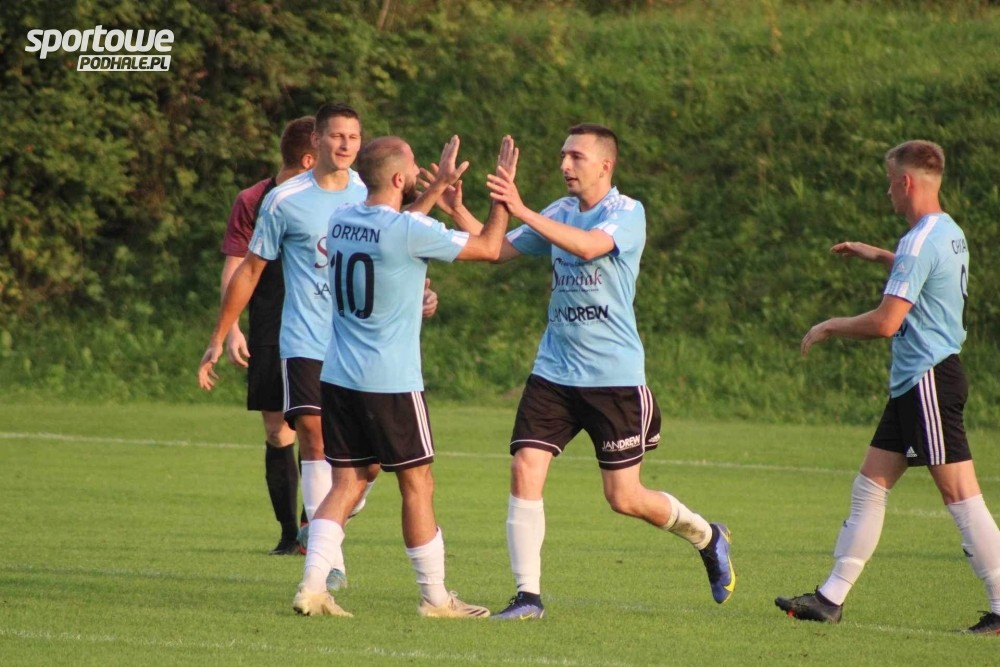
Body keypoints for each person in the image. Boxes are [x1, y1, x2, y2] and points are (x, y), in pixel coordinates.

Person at [478, 124, 735, 620]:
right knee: (525, 466)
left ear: (605, 165)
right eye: (562, 155)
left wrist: (522, 208)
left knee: (624, 497)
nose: (564, 165)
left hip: (612, 377)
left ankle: (707, 536)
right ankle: (528, 597)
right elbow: (495, 249)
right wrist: (463, 205)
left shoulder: (627, 212)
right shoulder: (558, 211)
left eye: (575, 156)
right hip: (554, 370)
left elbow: (588, 247)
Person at [776, 140, 1000, 634]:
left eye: (888, 183)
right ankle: (830, 599)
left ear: (906, 182)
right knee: (870, 486)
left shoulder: (920, 241)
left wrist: (830, 325)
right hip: (917, 382)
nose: (887, 193)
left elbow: (885, 322)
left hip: (928, 380)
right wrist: (879, 254)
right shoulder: (947, 232)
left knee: (961, 496)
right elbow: (924, 268)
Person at [290, 134, 517, 618]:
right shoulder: (411, 229)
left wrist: (433, 192)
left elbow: (393, 224)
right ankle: (435, 598)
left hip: (339, 376)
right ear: (398, 178)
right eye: (413, 166)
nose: (419, 171)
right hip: (390, 381)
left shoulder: (342, 218)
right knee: (418, 485)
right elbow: (490, 248)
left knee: (346, 482)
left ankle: (312, 588)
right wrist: (501, 196)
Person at [199, 103, 439, 543]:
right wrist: (220, 334)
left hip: (358, 346)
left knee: (368, 465)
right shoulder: (284, 199)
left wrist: (420, 295)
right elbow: (249, 270)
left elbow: (400, 245)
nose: (345, 144)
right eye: (336, 135)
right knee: (313, 436)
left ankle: (342, 507)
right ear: (316, 140)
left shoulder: (370, 192)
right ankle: (321, 553)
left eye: (353, 137)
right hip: (304, 339)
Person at [219, 116, 315, 555]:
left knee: (317, 429)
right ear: (310, 157)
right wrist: (232, 328)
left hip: (321, 329)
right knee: (278, 431)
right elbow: (237, 267)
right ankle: (287, 534)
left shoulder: (337, 198)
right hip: (269, 327)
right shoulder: (253, 200)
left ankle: (313, 529)